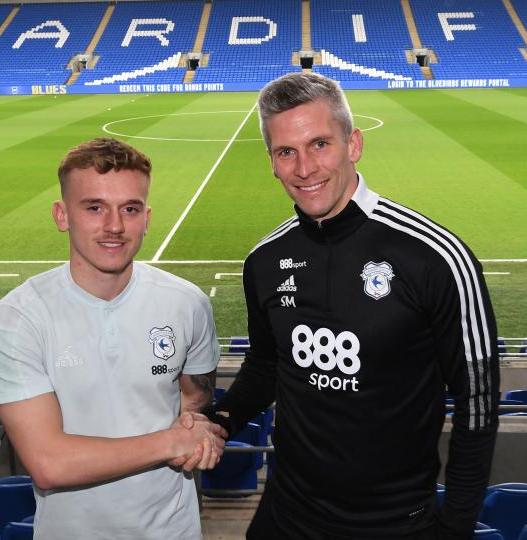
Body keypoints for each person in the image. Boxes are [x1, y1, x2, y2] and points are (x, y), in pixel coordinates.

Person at [204, 73, 500, 539]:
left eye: (319, 143)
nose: (304, 168)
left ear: (353, 144)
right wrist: (223, 419)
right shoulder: (264, 260)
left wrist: (457, 524)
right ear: (272, 163)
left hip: (394, 523)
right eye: (287, 152)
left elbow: (477, 400)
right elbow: (267, 363)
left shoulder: (436, 257)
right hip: (287, 514)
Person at [0, 137, 227, 540]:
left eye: (129, 209)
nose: (114, 226)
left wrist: (192, 436)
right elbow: (48, 462)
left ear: (147, 218)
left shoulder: (188, 304)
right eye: (94, 207)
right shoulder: (18, 318)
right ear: (62, 216)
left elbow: (195, 402)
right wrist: (170, 441)